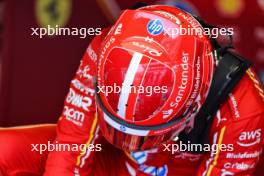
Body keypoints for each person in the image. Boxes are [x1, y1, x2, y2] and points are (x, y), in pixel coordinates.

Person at [0, 5, 264, 176]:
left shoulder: (243, 104)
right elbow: (72, 143)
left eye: (145, 134)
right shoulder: (104, 48)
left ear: (194, 103)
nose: (134, 141)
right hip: (114, 164)